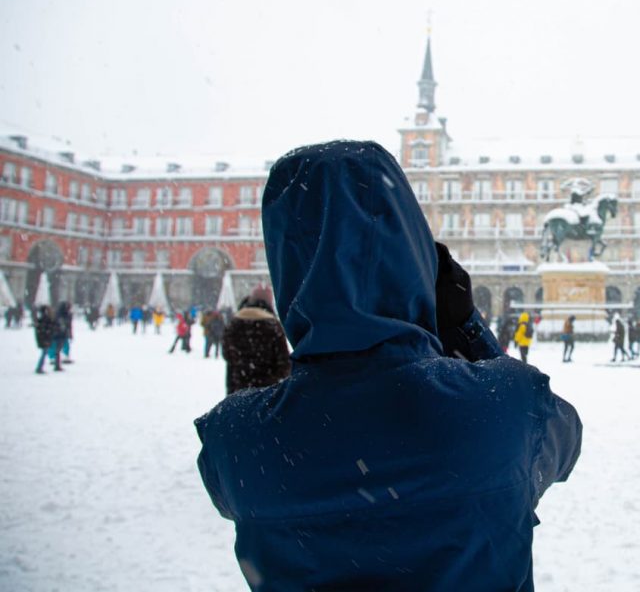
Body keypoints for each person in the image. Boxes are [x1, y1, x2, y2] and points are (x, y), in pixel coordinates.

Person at [194, 141, 581, 591]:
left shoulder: (237, 437)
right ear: (412, 249)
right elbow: (564, 439)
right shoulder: (503, 407)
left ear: (286, 264)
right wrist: (465, 328)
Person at [221, 287, 291, 394]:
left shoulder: (233, 323)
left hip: (237, 389)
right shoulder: (273, 326)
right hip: (266, 393)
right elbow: (284, 363)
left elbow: (227, 355)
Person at [33, 305, 58, 374]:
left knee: (45, 353)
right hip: (45, 339)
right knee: (44, 353)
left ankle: (40, 367)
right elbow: (46, 330)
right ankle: (39, 367)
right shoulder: (44, 320)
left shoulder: (41, 319)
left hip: (45, 339)